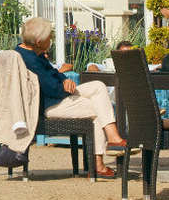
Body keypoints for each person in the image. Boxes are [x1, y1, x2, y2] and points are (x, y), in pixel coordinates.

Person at [15, 17, 127, 178]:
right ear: (39, 41)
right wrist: (65, 87)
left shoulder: (30, 51)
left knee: (98, 86)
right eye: (49, 36)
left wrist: (64, 79)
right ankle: (98, 164)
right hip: (50, 105)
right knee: (97, 109)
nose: (51, 38)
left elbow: (52, 73)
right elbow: (52, 89)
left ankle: (112, 136)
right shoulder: (31, 60)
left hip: (56, 97)